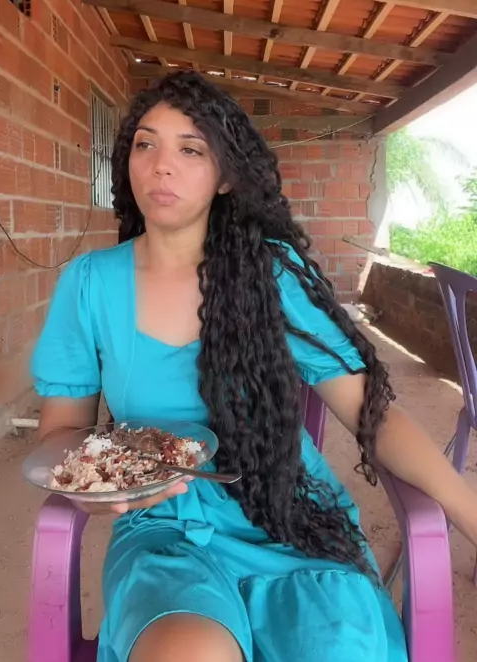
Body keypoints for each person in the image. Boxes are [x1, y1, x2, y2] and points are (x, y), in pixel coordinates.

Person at [32, 71, 477, 662]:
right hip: (165, 529)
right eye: (145, 143)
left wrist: (472, 517)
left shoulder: (272, 275)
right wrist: (88, 485)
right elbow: (61, 433)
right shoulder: (90, 284)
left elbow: (373, 416)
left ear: (225, 176)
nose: (161, 165)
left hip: (290, 515)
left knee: (336, 650)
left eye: (191, 149)